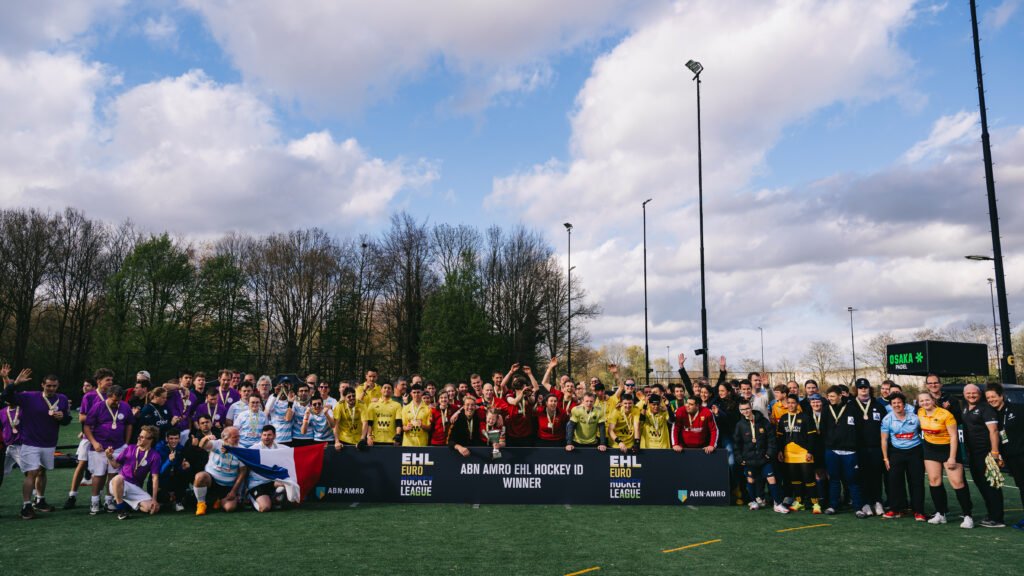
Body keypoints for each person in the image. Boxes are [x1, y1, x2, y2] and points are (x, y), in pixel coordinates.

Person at [2, 372, 72, 519]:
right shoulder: (29, 396)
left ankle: (40, 500)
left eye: (54, 386)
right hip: (30, 442)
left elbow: (67, 420)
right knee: (32, 473)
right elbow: (6, 397)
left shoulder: (63, 398)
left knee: (42, 471)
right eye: (48, 386)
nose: (51, 388)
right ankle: (26, 506)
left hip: (49, 442)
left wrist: (63, 417)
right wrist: (15, 384)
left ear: (58, 385)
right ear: (42, 385)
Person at [917, 392, 973, 527]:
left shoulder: (946, 415)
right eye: (921, 401)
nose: (925, 403)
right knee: (934, 481)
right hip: (930, 449)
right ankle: (940, 514)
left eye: (927, 400)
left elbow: (954, 437)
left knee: (957, 483)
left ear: (933, 400)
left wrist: (952, 457)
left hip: (948, 449)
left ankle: (968, 516)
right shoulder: (920, 412)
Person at [83, 384, 134, 515]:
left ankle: (109, 501)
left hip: (118, 446)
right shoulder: (98, 407)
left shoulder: (125, 406)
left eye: (119, 400)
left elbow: (129, 425)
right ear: (108, 396)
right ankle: (95, 501)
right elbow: (87, 426)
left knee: (114, 475)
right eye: (114, 400)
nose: (117, 403)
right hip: (100, 447)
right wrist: (94, 442)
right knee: (98, 475)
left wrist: (126, 443)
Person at [961, 384, 1004, 528]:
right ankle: (991, 514)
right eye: (968, 393)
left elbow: (994, 431)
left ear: (980, 394)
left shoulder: (986, 408)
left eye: (974, 393)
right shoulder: (965, 407)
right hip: (972, 453)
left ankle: (997, 518)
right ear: (964, 394)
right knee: (980, 483)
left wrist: (995, 452)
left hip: (985, 453)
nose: (971, 395)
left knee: (991, 484)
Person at [733, 399, 787, 513]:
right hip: (749, 459)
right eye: (742, 410)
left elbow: (772, 439)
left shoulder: (763, 421)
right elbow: (737, 444)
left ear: (751, 407)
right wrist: (739, 458)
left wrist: (769, 454)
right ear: (739, 410)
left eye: (747, 408)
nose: (745, 411)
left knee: (772, 479)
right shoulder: (739, 425)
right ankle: (753, 502)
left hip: (764, 458)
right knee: (750, 480)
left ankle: (778, 504)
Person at [65, 372, 109, 509]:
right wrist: (100, 416)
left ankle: (98, 497)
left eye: (111, 380)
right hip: (89, 436)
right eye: (108, 379)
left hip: (105, 437)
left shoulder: (111, 395)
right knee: (82, 464)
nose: (110, 382)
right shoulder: (89, 396)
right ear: (99, 381)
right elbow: (82, 417)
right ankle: (72, 496)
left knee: (102, 468)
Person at [880, 393, 925, 521]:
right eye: (894, 403)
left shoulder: (915, 418)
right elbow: (884, 440)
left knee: (916, 481)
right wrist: (885, 458)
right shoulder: (887, 419)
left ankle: (918, 511)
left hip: (915, 451)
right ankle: (896, 509)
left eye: (899, 402)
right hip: (896, 452)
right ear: (891, 405)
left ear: (904, 404)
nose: (897, 405)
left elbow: (924, 432)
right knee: (895, 482)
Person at [985, 383, 1024, 531]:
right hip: (1012, 458)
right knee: (1022, 487)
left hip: (1022, 454)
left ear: (1001, 396)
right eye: (988, 398)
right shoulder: (994, 414)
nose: (991, 400)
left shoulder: (1018, 409)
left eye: (993, 396)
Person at [820, 386, 863, 517]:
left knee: (852, 480)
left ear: (840, 395)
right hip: (832, 450)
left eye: (833, 396)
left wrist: (854, 444)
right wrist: (829, 443)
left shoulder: (852, 408)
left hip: (850, 451)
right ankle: (833, 506)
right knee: (834, 479)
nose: (830, 399)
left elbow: (859, 428)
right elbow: (823, 428)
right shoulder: (826, 409)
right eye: (829, 396)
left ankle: (858, 508)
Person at [106, 424, 162, 520]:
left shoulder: (155, 456)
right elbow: (116, 465)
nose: (138, 438)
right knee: (118, 478)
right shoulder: (130, 448)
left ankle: (126, 504)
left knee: (152, 508)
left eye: (142, 437)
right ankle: (121, 510)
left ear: (150, 440)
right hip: (120, 484)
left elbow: (155, 478)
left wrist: (154, 499)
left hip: (135, 488)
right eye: (139, 436)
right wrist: (109, 457)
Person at [776, 395, 820, 513]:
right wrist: (780, 451)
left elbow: (812, 436)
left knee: (809, 479)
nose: (791, 405)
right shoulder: (783, 418)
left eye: (793, 403)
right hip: (789, 454)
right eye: (789, 403)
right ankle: (799, 502)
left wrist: (810, 451)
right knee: (795, 480)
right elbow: (780, 437)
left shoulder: (805, 417)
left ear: (797, 404)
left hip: (803, 453)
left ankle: (815, 504)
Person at [193, 426, 247, 515]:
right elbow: (201, 445)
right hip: (212, 481)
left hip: (227, 486)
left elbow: (243, 472)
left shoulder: (241, 450)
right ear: (226, 438)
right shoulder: (218, 443)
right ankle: (201, 504)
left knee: (230, 508)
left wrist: (233, 491)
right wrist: (206, 438)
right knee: (200, 477)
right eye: (234, 437)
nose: (237, 439)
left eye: (238, 436)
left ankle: (217, 499)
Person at [852, 378, 887, 517]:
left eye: (865, 387)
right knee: (862, 476)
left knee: (876, 475)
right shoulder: (851, 405)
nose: (863, 390)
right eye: (860, 388)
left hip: (876, 447)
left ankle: (877, 501)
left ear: (869, 389)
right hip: (859, 448)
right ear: (856, 390)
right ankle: (865, 503)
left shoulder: (878, 405)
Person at [247, 425, 288, 512]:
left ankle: (274, 498)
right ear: (261, 436)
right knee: (265, 508)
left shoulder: (282, 448)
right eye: (264, 435)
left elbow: (297, 453)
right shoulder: (253, 449)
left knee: (287, 484)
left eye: (269, 435)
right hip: (258, 483)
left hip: (273, 482)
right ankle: (251, 497)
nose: (266, 437)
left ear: (274, 436)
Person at [155, 428, 188, 512]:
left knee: (184, 473)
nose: (174, 441)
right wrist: (169, 461)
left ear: (179, 439)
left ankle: (178, 501)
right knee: (164, 498)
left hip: (173, 478)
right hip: (160, 479)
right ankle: (167, 499)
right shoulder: (159, 448)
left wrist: (183, 467)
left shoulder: (181, 448)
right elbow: (160, 471)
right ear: (167, 439)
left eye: (176, 438)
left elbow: (177, 468)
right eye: (171, 438)